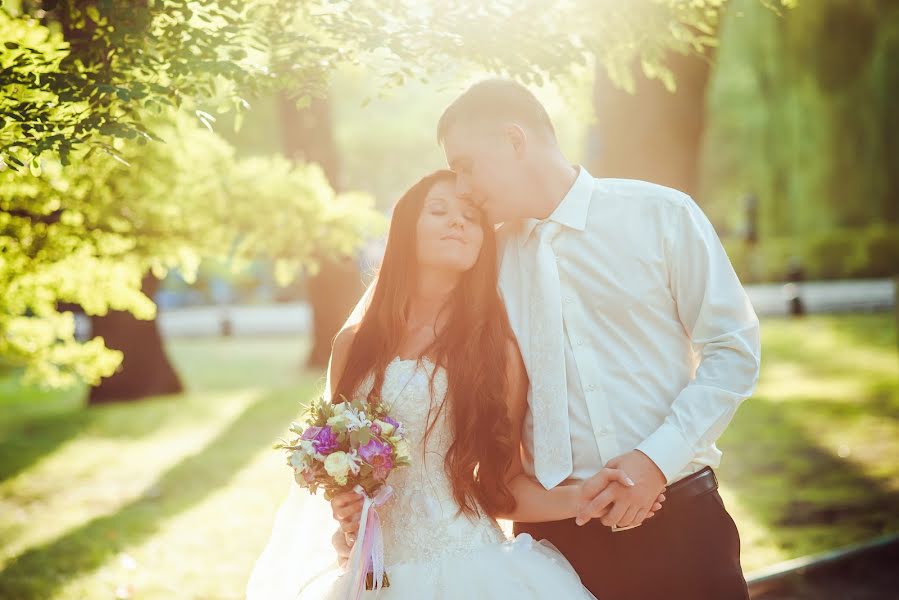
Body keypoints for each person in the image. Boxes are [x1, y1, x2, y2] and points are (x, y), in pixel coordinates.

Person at [331, 79, 761, 600]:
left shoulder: (662, 216)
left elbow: (733, 352)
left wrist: (655, 459)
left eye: (466, 165)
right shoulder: (483, 262)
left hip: (677, 514)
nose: (463, 188)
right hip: (555, 546)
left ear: (515, 140)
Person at [247, 169, 664, 599]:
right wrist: (347, 506)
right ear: (407, 228)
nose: (458, 222)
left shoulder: (494, 349)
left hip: (471, 568)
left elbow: (503, 486)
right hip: (376, 576)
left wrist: (582, 498)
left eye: (471, 216)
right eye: (439, 210)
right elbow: (347, 475)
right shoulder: (354, 345)